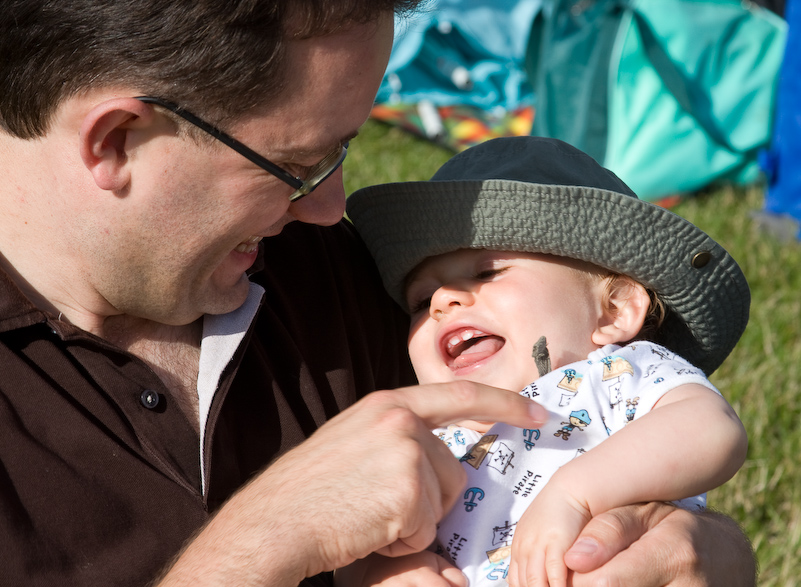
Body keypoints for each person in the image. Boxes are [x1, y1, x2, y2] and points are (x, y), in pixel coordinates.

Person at [0, 2, 754, 586]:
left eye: (342, 155)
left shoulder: (336, 276)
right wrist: (257, 547)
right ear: (115, 140)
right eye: (296, 164)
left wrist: (703, 553)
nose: (331, 210)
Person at [344, 136, 751, 587]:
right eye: (421, 301)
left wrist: (577, 494)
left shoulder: (617, 376)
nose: (443, 300)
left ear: (614, 310)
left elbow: (712, 432)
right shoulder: (432, 440)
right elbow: (349, 542)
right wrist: (385, 569)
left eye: (487, 272)